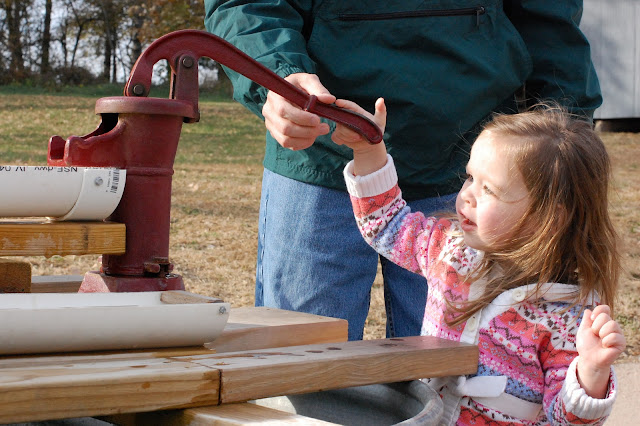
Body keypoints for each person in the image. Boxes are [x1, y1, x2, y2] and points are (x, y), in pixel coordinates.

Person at [204, 1, 602, 340]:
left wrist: (563, 149)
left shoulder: (572, 304)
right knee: (300, 370)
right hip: (318, 153)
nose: (469, 196)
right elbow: (247, 6)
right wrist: (279, 77)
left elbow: (551, 22)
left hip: (472, 144)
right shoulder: (440, 239)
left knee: (458, 374)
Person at [332, 99, 624, 424]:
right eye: (470, 177)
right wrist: (369, 152)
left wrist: (591, 372)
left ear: (547, 218)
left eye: (490, 190)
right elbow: (387, 225)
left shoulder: (567, 315)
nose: (467, 195)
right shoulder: (450, 250)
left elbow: (565, 419)